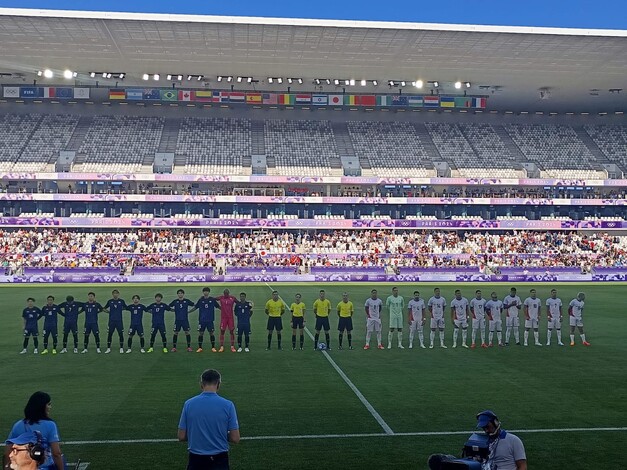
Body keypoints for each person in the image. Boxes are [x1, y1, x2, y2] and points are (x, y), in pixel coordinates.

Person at [178, 369, 240, 470]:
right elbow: (235, 438)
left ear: (201, 384)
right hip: (219, 460)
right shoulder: (228, 405)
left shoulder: (189, 404)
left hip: (196, 460)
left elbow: (181, 436)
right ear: (218, 384)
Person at [4, 391, 64, 470]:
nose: (50, 407)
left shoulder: (18, 425)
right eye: (48, 404)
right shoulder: (50, 425)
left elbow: (7, 452)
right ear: (42, 406)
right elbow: (56, 453)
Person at [195, 287, 220, 353]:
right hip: (202, 320)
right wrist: (188, 312)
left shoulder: (212, 299)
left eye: (207, 291)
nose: (206, 292)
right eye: (204, 291)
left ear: (209, 292)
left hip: (210, 320)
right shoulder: (200, 300)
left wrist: (226, 310)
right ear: (203, 292)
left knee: (211, 333)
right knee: (201, 333)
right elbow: (196, 307)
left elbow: (218, 306)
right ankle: (200, 348)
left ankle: (213, 347)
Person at [103, 289, 127, 354]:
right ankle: (108, 348)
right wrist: (108, 312)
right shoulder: (110, 301)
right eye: (114, 293)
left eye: (116, 293)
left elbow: (126, 307)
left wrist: (121, 310)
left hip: (119, 321)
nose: (115, 294)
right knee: (110, 334)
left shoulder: (121, 301)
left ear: (118, 294)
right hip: (111, 321)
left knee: (120, 334)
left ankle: (121, 348)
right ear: (112, 294)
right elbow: (104, 308)